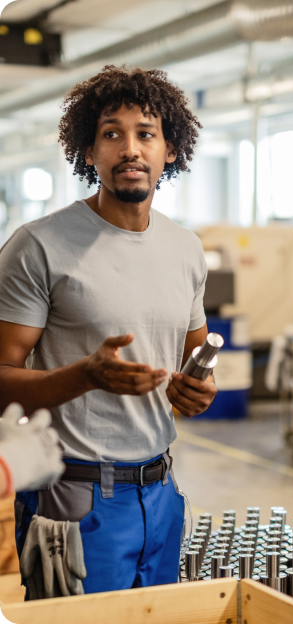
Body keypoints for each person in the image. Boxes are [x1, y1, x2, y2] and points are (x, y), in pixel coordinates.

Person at [0, 66, 217, 595]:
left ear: (170, 150)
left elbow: (197, 351)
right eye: (111, 133)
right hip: (73, 499)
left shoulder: (185, 248)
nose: (130, 148)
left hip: (162, 494)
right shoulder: (39, 246)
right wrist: (86, 376)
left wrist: (200, 388)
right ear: (89, 151)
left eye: (146, 133)